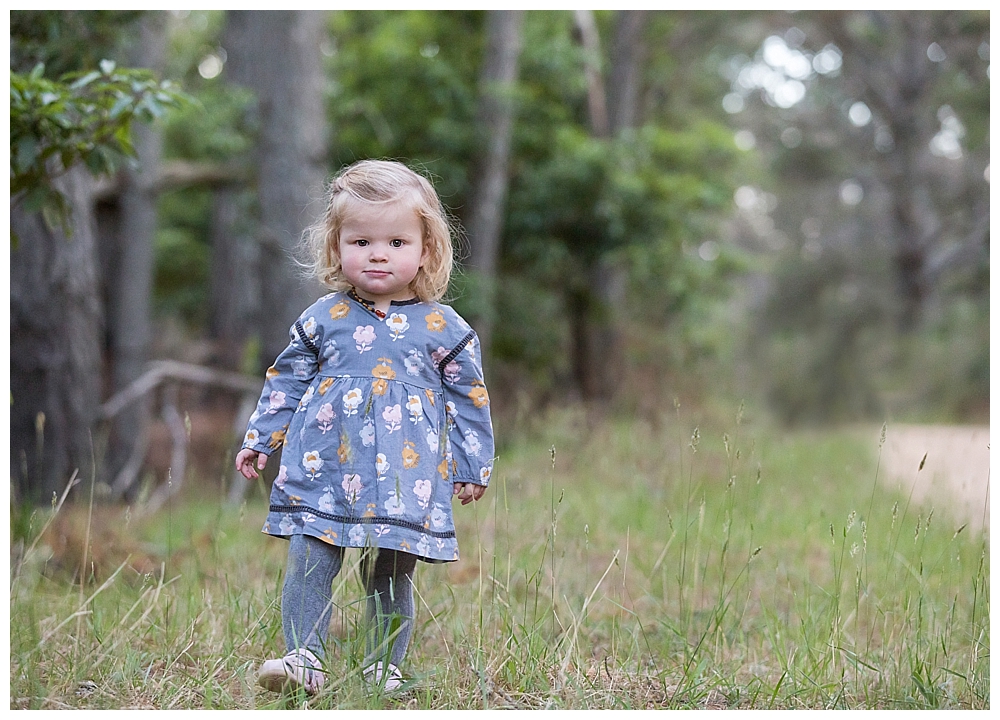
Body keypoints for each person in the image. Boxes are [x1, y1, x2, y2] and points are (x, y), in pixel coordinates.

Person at [235, 160, 494, 696]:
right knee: (311, 558)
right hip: (323, 465)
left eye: (397, 241)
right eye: (361, 241)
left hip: (406, 477)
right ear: (336, 247)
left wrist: (472, 464)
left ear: (426, 250)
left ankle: (382, 665)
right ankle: (304, 655)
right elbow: (284, 381)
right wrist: (262, 437)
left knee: (391, 572)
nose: (378, 253)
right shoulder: (322, 318)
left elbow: (470, 400)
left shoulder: (444, 327)